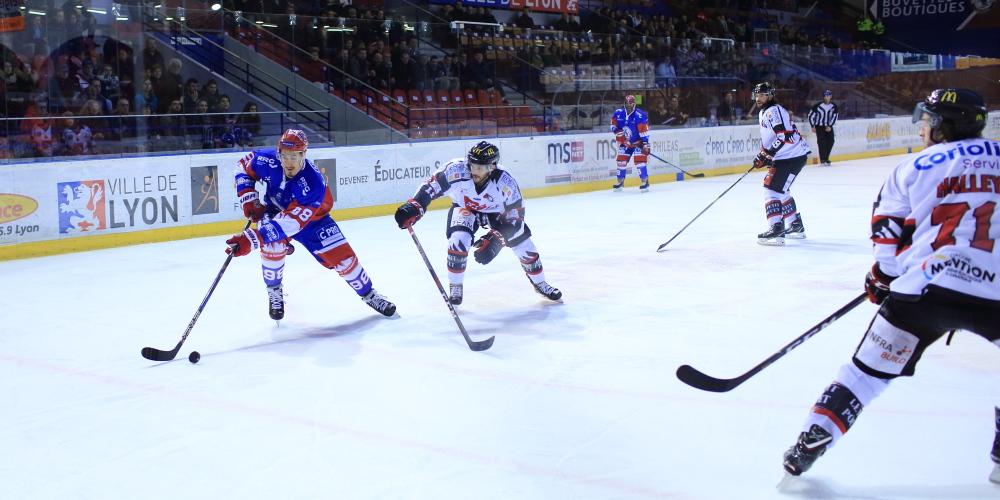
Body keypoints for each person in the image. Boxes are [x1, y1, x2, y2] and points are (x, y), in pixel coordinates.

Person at [781, 88, 1000, 483]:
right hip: (996, 292)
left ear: (946, 125)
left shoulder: (912, 167)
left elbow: (887, 233)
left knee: (865, 374)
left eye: (928, 120)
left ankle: (813, 438)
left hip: (924, 290)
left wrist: (882, 278)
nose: (922, 127)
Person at [224, 129, 397, 320]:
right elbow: (242, 165)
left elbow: (292, 223)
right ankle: (274, 290)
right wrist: (248, 197)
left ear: (304, 154)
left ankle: (369, 294)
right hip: (275, 211)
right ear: (279, 153)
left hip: (314, 220)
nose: (289, 162)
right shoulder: (267, 160)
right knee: (273, 246)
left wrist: (252, 239)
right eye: (285, 155)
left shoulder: (313, 183)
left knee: (346, 263)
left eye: (294, 156)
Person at [392, 141, 562, 305]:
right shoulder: (457, 169)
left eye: (479, 167)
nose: (473, 170)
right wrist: (415, 205)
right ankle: (455, 286)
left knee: (525, 246)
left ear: (492, 167)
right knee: (458, 241)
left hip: (497, 214)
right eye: (472, 165)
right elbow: (431, 186)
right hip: (465, 208)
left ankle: (540, 283)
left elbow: (516, 218)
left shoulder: (505, 182)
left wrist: (497, 239)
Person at [750, 82, 811, 245]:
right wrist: (763, 154)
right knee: (781, 190)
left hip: (790, 156)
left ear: (770, 95)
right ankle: (795, 226)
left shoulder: (773, 111)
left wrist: (768, 154)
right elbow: (770, 138)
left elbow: (783, 136)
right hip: (791, 155)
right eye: (757, 95)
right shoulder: (764, 111)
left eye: (762, 95)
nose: (758, 98)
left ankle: (776, 230)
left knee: (771, 189)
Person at [609, 95, 651, 192]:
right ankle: (620, 182)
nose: (629, 105)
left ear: (634, 103)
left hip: (638, 143)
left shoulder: (640, 115)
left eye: (631, 103)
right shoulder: (618, 113)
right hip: (625, 143)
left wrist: (645, 144)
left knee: (640, 162)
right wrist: (616, 131)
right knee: (621, 161)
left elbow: (644, 131)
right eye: (627, 103)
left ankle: (644, 181)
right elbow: (612, 124)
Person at [808, 89, 839, 166]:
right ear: (824, 96)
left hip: (828, 126)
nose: (827, 97)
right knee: (822, 142)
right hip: (819, 126)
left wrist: (830, 126)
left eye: (829, 95)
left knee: (831, 141)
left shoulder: (834, 106)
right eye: (826, 95)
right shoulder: (817, 105)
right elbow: (810, 116)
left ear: (831, 96)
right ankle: (823, 160)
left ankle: (826, 158)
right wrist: (812, 126)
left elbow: (835, 117)